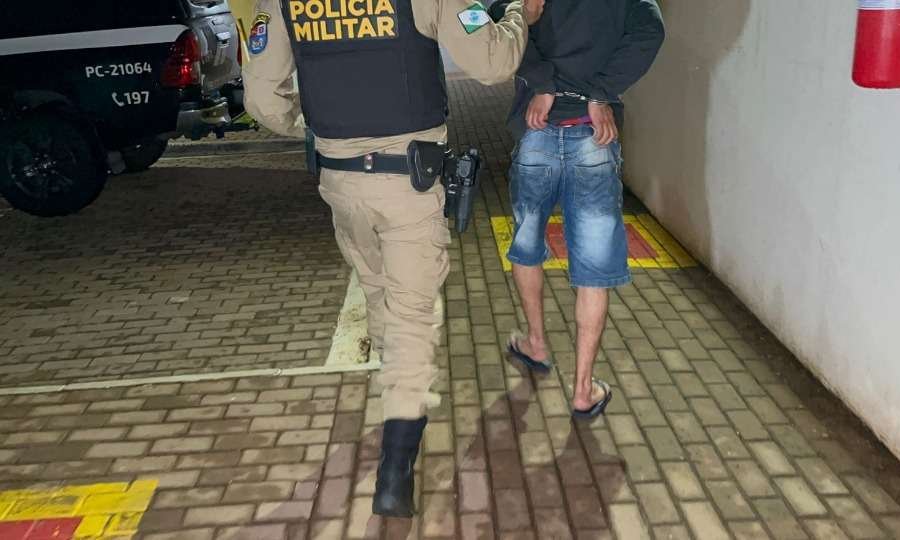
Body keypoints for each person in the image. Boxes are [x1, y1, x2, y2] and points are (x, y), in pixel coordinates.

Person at [242, 0, 544, 518]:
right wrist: (519, 15)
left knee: (379, 292)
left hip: (340, 180)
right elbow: (493, 62)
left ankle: (396, 399)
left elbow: (262, 98)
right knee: (410, 317)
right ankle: (395, 468)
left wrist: (310, 126)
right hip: (408, 181)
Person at [504, 0, 665, 419]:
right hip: (593, 134)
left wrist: (542, 83)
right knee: (593, 265)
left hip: (537, 130)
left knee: (527, 244)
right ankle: (582, 390)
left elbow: (497, 15)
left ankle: (536, 343)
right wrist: (600, 93)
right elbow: (650, 30)